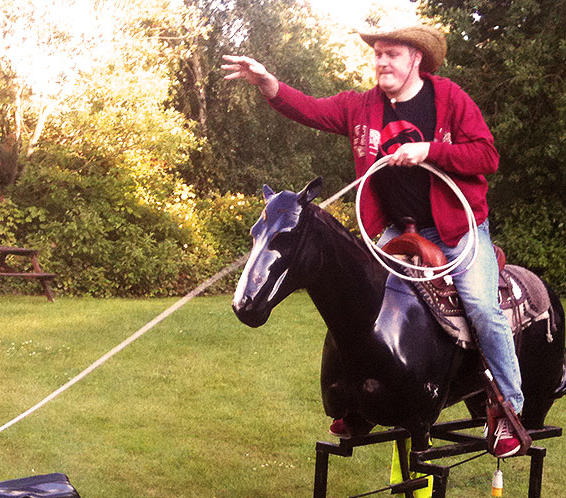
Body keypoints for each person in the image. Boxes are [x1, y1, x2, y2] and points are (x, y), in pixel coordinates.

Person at [222, 25, 526, 458]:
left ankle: (509, 410)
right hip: (393, 229)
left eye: (392, 54)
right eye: (378, 54)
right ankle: (359, 398)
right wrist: (268, 83)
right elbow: (309, 108)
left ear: (416, 59)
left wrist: (429, 152)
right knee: (357, 300)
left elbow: (486, 156)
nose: (382, 62)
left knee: (480, 306)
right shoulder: (361, 106)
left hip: (455, 228)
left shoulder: (449, 99)